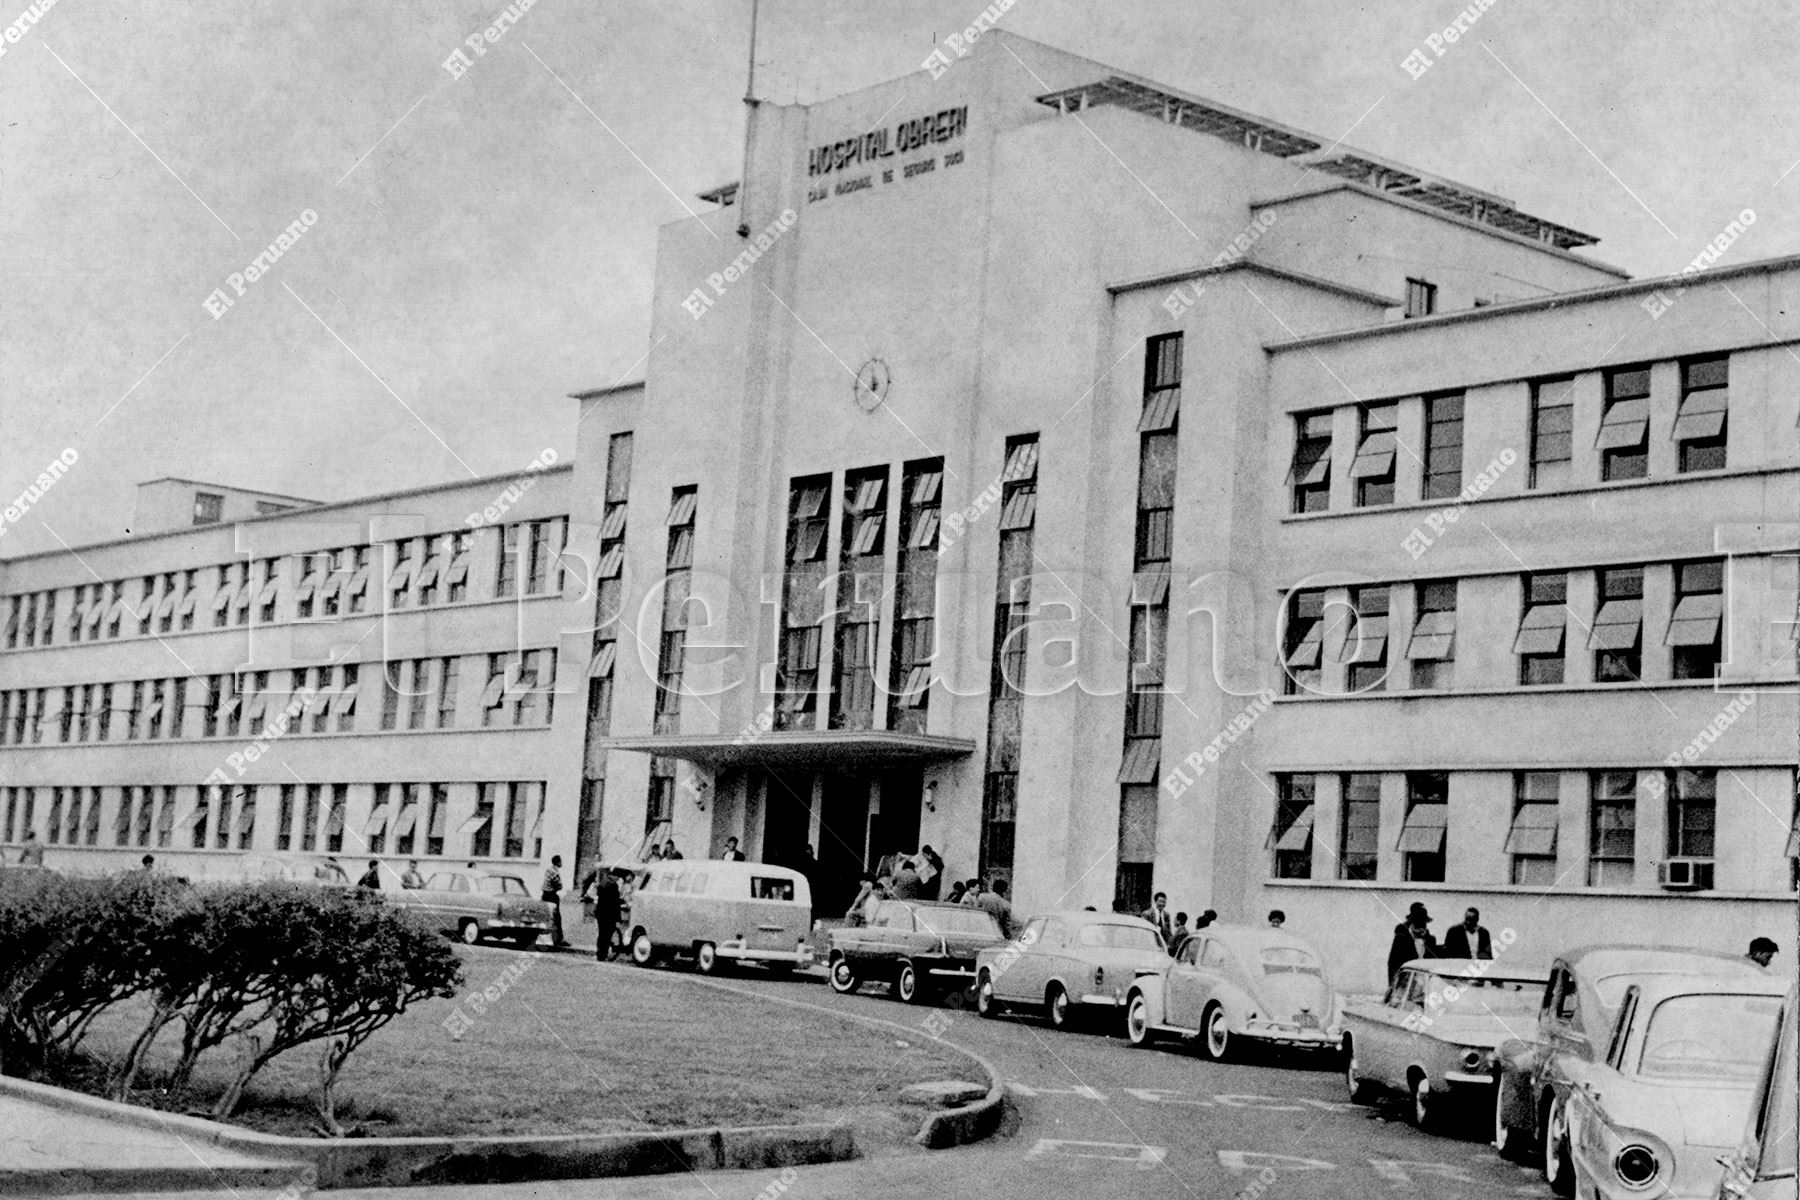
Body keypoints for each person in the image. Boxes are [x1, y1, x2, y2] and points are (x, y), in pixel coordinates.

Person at [1387, 902, 1438, 987]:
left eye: (1423, 923)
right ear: (1411, 922)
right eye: (1417, 922)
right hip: (1405, 982)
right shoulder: (1402, 938)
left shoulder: (1430, 940)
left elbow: (1433, 962)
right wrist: (1392, 986)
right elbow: (1393, 963)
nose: (1421, 927)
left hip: (1424, 982)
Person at [593, 869, 623, 961]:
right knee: (608, 934)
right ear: (615, 876)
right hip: (610, 914)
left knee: (601, 933)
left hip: (601, 913)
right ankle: (603, 953)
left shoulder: (602, 884)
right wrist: (618, 918)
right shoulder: (614, 885)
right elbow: (616, 902)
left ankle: (600, 954)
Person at [542, 855, 567, 947]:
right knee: (556, 918)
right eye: (561, 861)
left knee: (547, 916)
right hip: (551, 895)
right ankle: (559, 939)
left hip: (545, 894)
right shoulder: (555, 872)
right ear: (558, 862)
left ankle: (545, 939)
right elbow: (559, 885)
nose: (562, 863)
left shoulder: (548, 869)